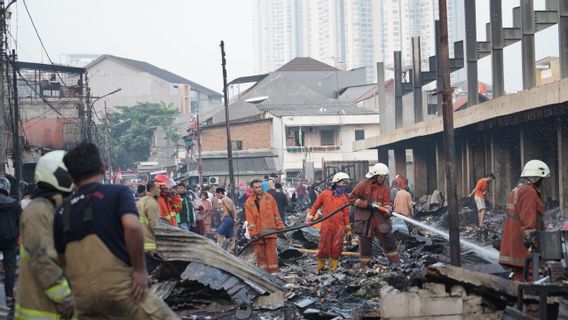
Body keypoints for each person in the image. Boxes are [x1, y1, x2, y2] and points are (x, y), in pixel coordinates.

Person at [53, 142, 177, 319]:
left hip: (82, 298)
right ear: (103, 168)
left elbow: (61, 259)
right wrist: (140, 271)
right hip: (121, 291)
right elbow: (133, 227)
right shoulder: (117, 193)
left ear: (71, 177)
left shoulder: (62, 211)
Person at [15, 151, 75, 319]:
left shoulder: (53, 209)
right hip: (42, 310)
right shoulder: (38, 211)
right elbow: (43, 260)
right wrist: (65, 299)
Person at [499, 160, 550, 282]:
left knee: (520, 276)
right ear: (536, 177)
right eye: (542, 179)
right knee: (531, 275)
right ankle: (531, 300)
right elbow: (528, 220)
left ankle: (520, 299)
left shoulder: (516, 190)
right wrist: (533, 246)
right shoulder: (529, 192)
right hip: (524, 246)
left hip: (514, 243)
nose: (542, 183)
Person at [349, 163, 400, 271]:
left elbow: (387, 203)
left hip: (380, 220)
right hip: (365, 220)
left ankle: (396, 265)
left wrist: (388, 209)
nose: (382, 179)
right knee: (365, 246)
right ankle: (364, 268)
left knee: (389, 242)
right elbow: (352, 198)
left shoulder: (385, 188)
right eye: (381, 177)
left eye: (384, 177)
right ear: (375, 175)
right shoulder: (363, 185)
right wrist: (365, 204)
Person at [306, 172, 351, 273]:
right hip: (327, 226)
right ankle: (320, 269)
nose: (345, 186)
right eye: (344, 183)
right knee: (323, 248)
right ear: (336, 182)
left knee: (336, 248)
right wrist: (310, 218)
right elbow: (315, 206)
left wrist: (348, 229)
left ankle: (332, 270)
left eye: (346, 183)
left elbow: (346, 215)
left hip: (339, 228)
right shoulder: (325, 194)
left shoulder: (344, 198)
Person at [245, 179, 285, 273]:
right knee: (260, 256)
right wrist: (253, 233)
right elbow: (250, 220)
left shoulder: (269, 198)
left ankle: (274, 273)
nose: (259, 189)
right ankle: (263, 274)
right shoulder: (249, 202)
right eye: (256, 187)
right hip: (258, 233)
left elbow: (276, 214)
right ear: (252, 188)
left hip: (270, 231)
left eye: (260, 187)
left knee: (272, 254)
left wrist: (280, 226)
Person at [0, 177, 21, 310]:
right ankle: (9, 297)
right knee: (10, 269)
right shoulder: (15, 204)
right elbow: (22, 221)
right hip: (10, 242)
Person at [136, 181, 162, 273]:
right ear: (152, 189)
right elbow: (156, 226)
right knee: (152, 271)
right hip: (150, 245)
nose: (160, 190)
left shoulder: (141, 201)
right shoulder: (152, 203)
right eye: (158, 188)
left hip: (140, 243)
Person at [468, 173, 495, 239]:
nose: (491, 181)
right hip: (478, 197)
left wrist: (486, 193)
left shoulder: (487, 183)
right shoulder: (481, 181)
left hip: (481, 197)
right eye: (491, 179)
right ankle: (481, 224)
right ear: (489, 177)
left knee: (480, 211)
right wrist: (470, 195)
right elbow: (475, 189)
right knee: (483, 210)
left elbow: (484, 190)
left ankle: (480, 224)